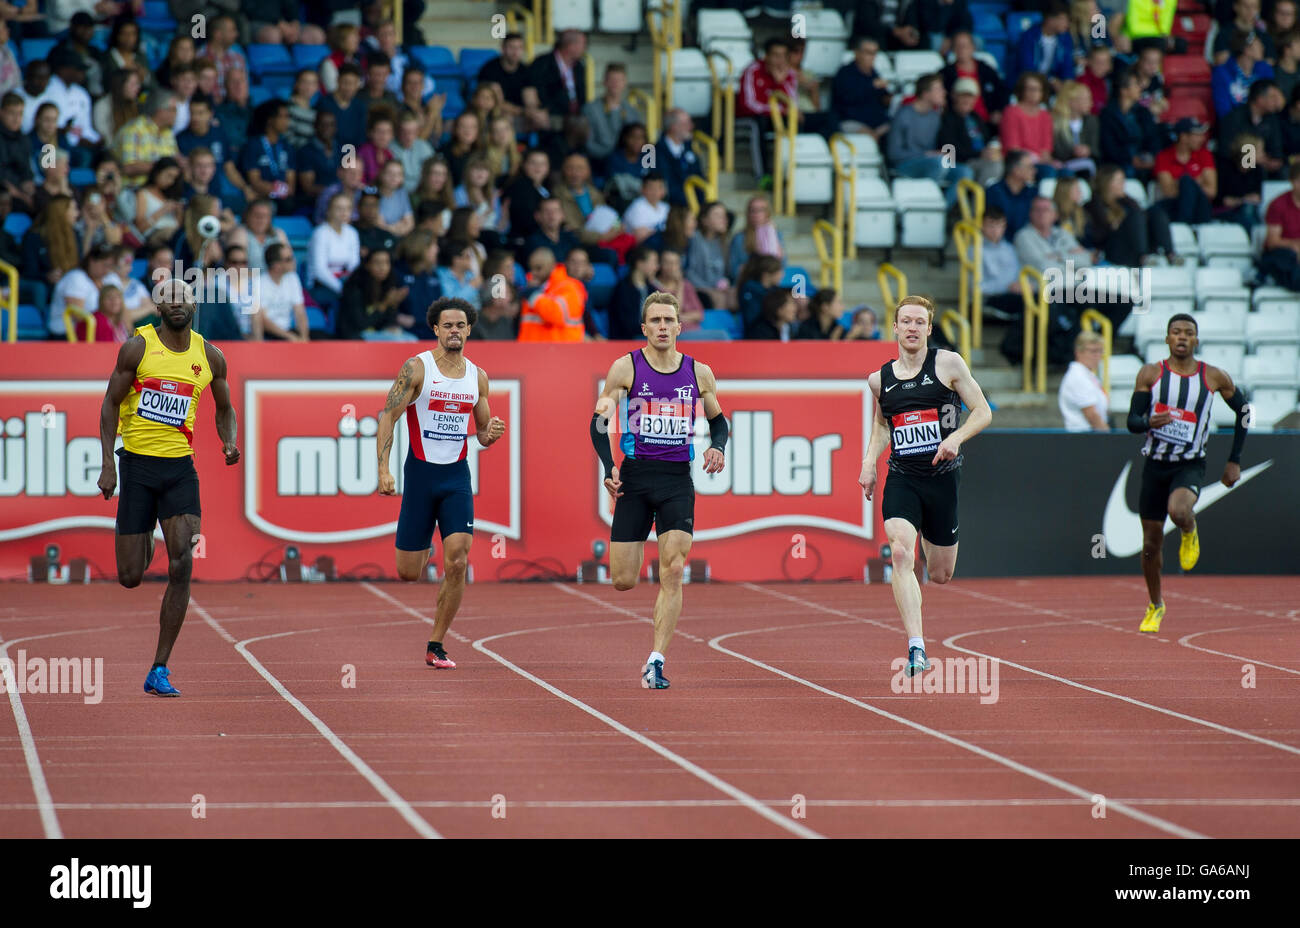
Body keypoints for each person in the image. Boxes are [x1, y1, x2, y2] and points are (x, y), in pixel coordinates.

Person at [96, 279, 240, 697]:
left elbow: (225, 408)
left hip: (180, 470)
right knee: (129, 577)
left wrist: (228, 441)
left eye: (183, 298)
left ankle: (159, 667)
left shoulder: (210, 355)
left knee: (182, 565)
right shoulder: (138, 348)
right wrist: (110, 464)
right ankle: (146, 539)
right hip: (137, 467)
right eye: (168, 299)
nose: (176, 304)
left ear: (194, 304)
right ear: (158, 307)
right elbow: (109, 402)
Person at [591, 291, 728, 688]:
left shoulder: (699, 372)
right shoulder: (625, 368)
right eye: (656, 321)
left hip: (676, 481)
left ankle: (656, 660)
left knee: (673, 568)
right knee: (623, 579)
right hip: (634, 480)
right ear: (644, 328)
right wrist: (608, 467)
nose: (663, 327)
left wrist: (717, 446)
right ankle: (651, 598)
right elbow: (599, 422)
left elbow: (719, 421)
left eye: (669, 320)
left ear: (680, 327)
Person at [859, 295, 993, 677]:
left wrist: (956, 439)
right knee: (901, 554)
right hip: (902, 477)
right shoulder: (878, 379)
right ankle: (916, 647)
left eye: (920, 322)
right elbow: (883, 424)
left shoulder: (948, 363)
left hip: (942, 479)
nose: (913, 328)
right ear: (896, 328)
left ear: (929, 329)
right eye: (907, 321)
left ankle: (932, 566)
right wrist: (869, 464)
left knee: (939, 573)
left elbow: (983, 411)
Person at [375, 297, 507, 669]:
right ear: (435, 329)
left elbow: (481, 433)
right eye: (447, 325)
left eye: (460, 325)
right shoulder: (418, 368)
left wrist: (490, 433)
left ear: (469, 329)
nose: (454, 331)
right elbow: (388, 417)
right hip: (420, 475)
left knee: (458, 561)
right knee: (408, 572)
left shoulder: (477, 377)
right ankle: (425, 545)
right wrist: (383, 470)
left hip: (456, 477)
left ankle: (437, 644)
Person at [1126, 313, 1250, 632]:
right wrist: (1147, 423)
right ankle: (1156, 605)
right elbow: (1131, 421)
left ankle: (1188, 528)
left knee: (1179, 510)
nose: (1182, 337)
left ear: (1196, 340)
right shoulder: (1151, 374)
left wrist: (1234, 459)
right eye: (1176, 332)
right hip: (1155, 465)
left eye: (1188, 333)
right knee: (1151, 544)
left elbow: (1245, 411)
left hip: (1189, 463)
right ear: (1167, 339)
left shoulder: (1213, 377)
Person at [834, 36, 894, 138]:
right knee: (869, 136)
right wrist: (871, 86)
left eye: (874, 53)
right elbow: (848, 98)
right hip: (852, 121)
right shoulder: (845, 72)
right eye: (868, 52)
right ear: (857, 53)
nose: (872, 57)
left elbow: (883, 100)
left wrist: (890, 98)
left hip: (877, 122)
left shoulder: (874, 73)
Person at [1059, 331, 1111, 431]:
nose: (1097, 356)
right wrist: (1110, 439)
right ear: (1078, 352)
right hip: (1084, 437)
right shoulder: (1078, 377)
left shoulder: (1088, 375)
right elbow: (1092, 415)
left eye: (1100, 351)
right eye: (1093, 351)